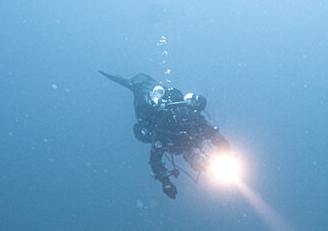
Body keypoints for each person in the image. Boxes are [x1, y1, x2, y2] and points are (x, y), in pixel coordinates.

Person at [99, 71, 231, 199]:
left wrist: (165, 182)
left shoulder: (195, 131)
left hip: (170, 120)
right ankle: (136, 87)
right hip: (162, 121)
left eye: (196, 162)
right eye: (201, 159)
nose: (198, 158)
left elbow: (215, 136)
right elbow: (155, 160)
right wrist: (165, 182)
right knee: (143, 113)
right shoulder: (176, 131)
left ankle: (137, 87)